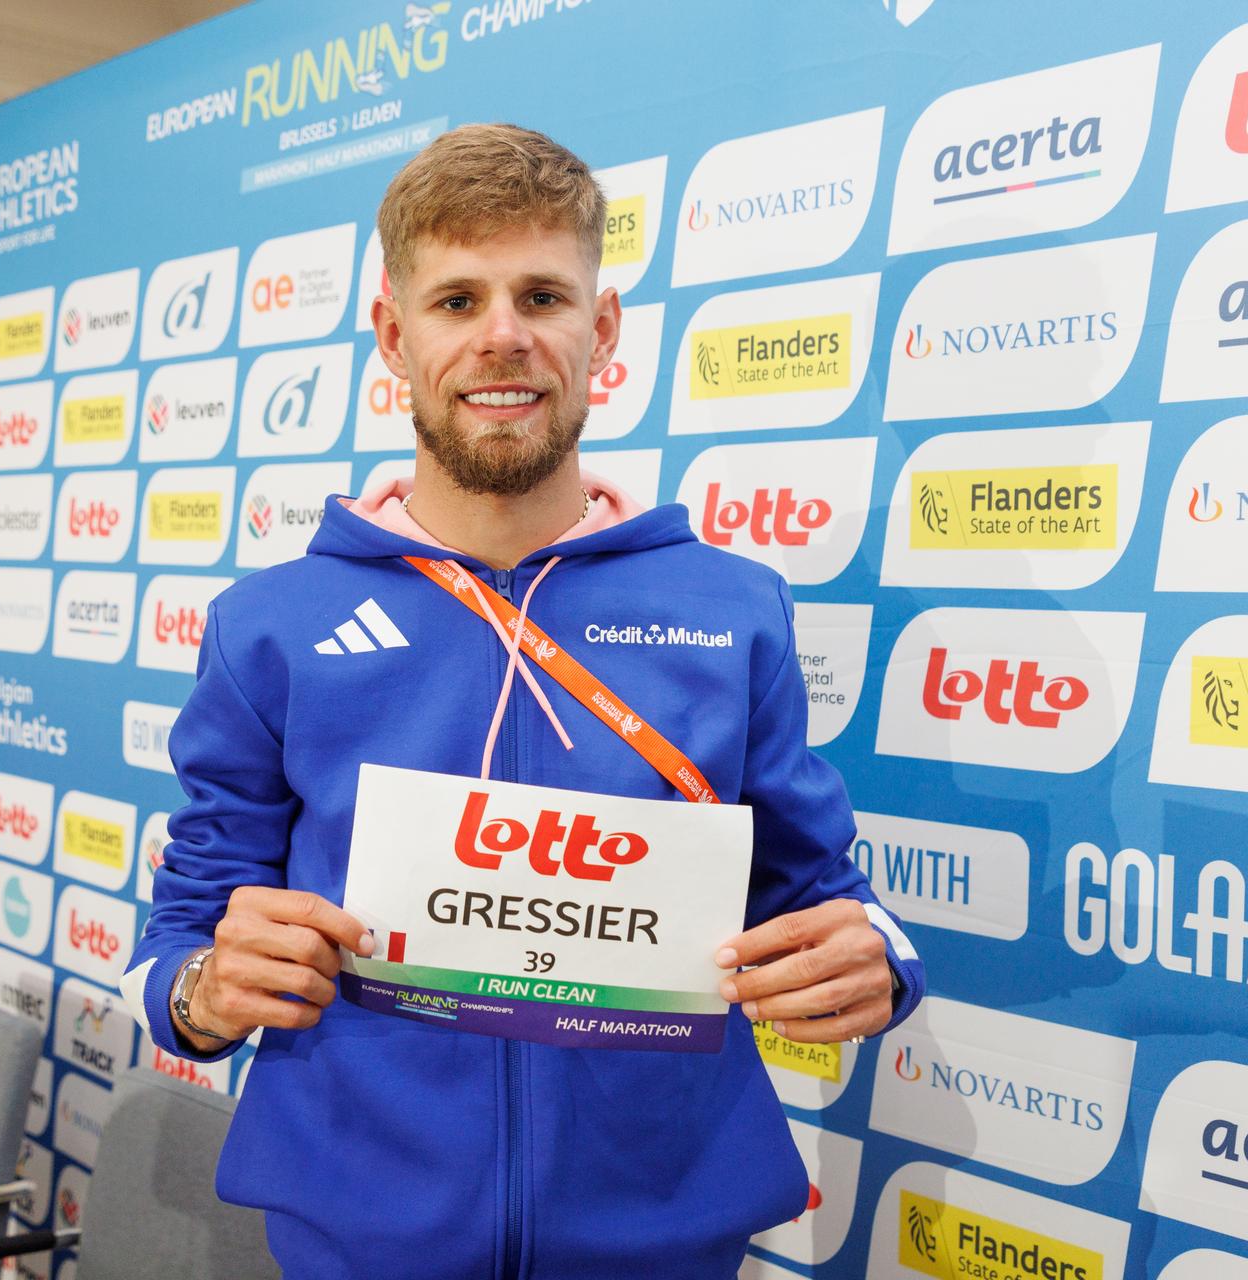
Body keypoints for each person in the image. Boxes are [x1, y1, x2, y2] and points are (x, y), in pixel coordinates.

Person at [124, 124, 926, 1278]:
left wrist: (879, 962)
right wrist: (204, 989)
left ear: (598, 332)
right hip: (357, 1233)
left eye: (542, 293)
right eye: (457, 300)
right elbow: (181, 940)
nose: (502, 336)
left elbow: (824, 894)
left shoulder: (733, 605)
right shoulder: (272, 623)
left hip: (664, 1230)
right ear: (397, 337)